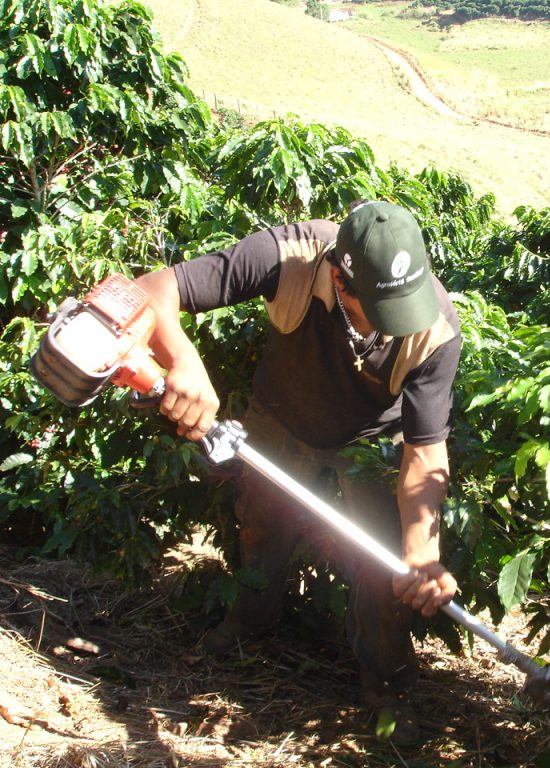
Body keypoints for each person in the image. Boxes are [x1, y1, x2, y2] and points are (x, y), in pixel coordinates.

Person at [135, 201, 461, 745]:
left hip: (370, 441)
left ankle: (386, 685)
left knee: (387, 565)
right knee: (262, 522)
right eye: (378, 309)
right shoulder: (290, 254)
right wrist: (182, 360)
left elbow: (425, 454)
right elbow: (146, 291)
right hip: (281, 418)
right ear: (339, 278)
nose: (393, 327)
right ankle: (251, 622)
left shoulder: (436, 329)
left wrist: (421, 552)